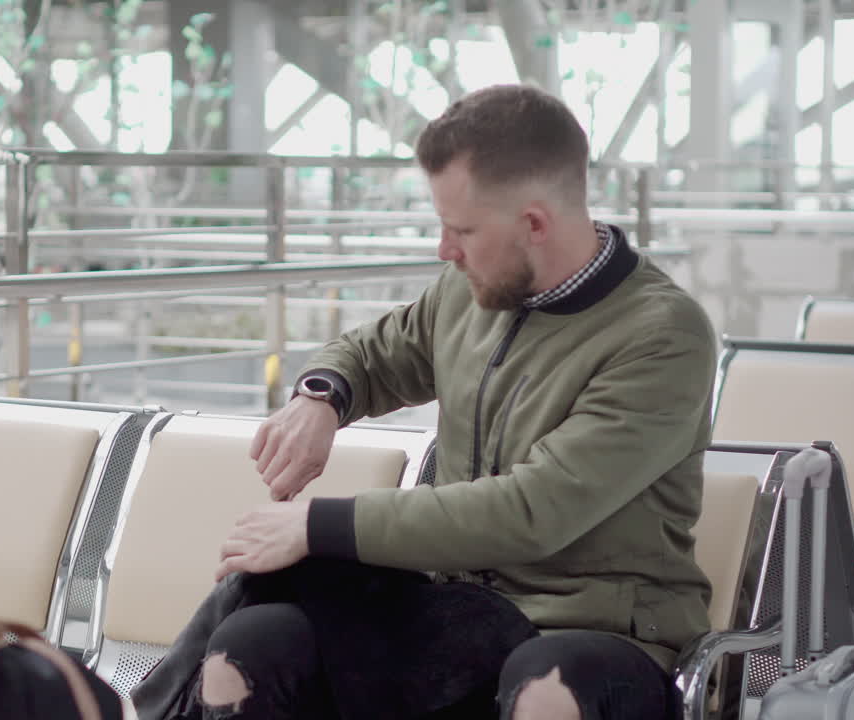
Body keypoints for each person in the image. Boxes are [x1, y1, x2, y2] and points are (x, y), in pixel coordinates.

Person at [132, 83, 717, 720]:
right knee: (251, 645)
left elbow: (533, 511)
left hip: (598, 633)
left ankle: (144, 708)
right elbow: (372, 354)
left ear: (535, 224)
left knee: (547, 683)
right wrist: (319, 399)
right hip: (458, 619)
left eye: (460, 229)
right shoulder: (468, 291)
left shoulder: (662, 337)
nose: (445, 250)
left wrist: (316, 525)